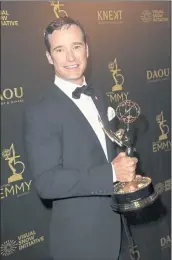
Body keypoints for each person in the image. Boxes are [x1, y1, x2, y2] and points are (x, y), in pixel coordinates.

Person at [24, 17, 138, 260]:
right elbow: (47, 182)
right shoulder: (41, 112)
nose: (71, 58)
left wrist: (121, 165)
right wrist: (112, 173)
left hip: (116, 228)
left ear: (86, 49)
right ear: (49, 57)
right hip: (79, 242)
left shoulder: (98, 96)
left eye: (76, 46)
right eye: (60, 50)